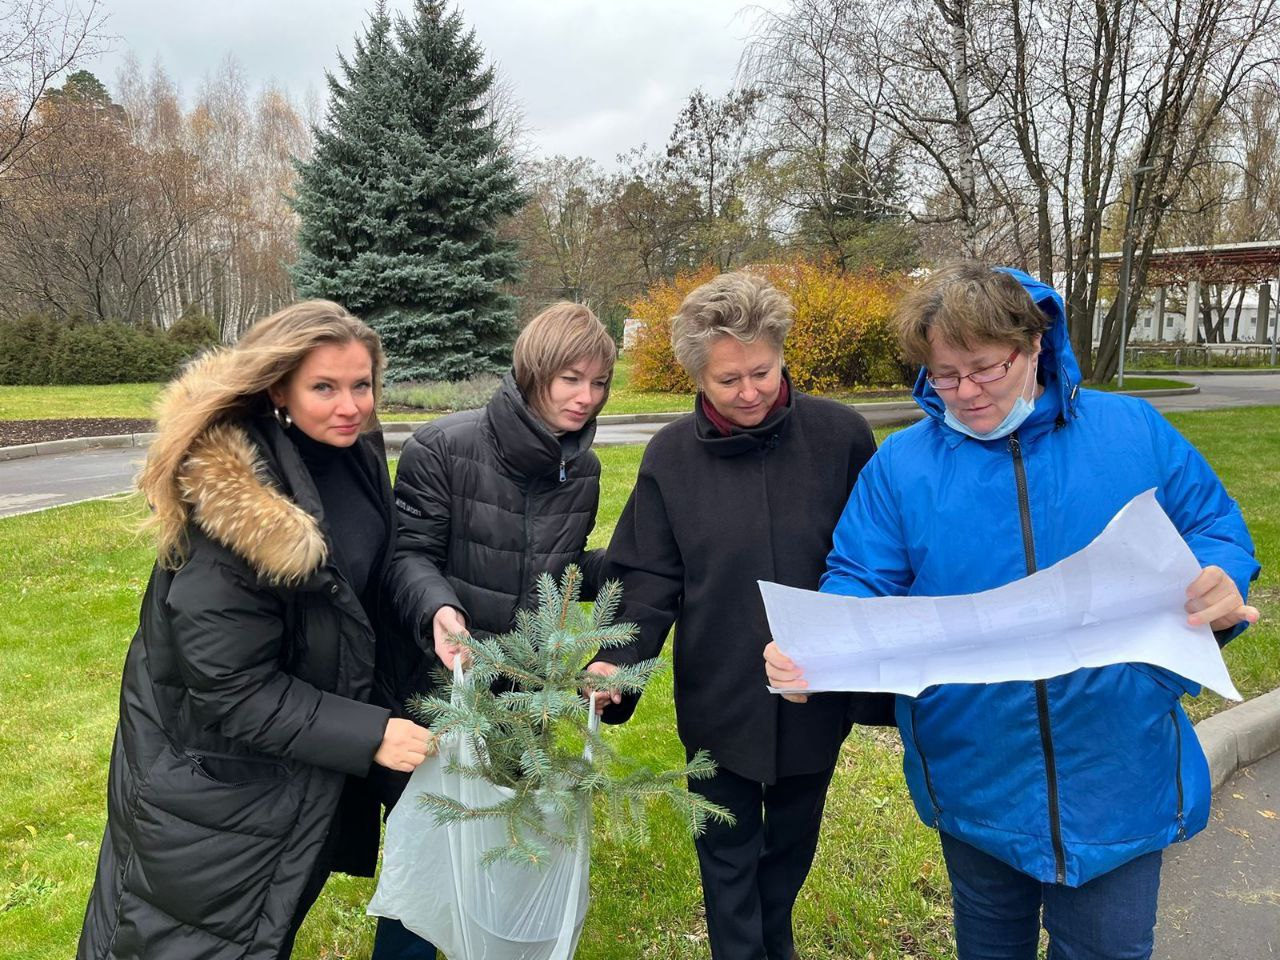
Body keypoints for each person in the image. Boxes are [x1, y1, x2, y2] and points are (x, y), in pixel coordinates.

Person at [766, 263, 1260, 960]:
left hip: (1117, 763)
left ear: (1034, 347)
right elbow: (858, 575)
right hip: (974, 770)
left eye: (984, 369)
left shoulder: (1132, 430)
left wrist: (1222, 576)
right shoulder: (903, 467)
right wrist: (820, 645)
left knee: (1108, 950)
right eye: (944, 375)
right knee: (989, 946)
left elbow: (1211, 524)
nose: (965, 393)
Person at [76, 301, 436, 960]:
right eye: (324, 387)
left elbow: (358, 591)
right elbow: (230, 689)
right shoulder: (240, 513)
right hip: (213, 786)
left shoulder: (352, 453)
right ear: (279, 389)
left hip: (289, 765)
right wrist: (370, 734)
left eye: (362, 384)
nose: (351, 405)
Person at [585, 270, 894, 960]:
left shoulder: (840, 437)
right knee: (725, 861)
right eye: (729, 381)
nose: (750, 391)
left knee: (786, 856)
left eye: (762, 371)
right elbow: (647, 579)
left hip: (815, 691)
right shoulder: (670, 457)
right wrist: (617, 664)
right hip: (719, 697)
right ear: (697, 378)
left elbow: (877, 557)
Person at [374, 301, 616, 959]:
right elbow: (407, 555)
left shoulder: (583, 471)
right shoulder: (444, 447)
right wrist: (439, 612)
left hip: (523, 697)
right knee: (428, 848)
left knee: (506, 845)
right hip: (438, 687)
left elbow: (560, 569)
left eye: (598, 383)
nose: (585, 397)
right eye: (571, 378)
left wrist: (629, 565)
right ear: (533, 371)